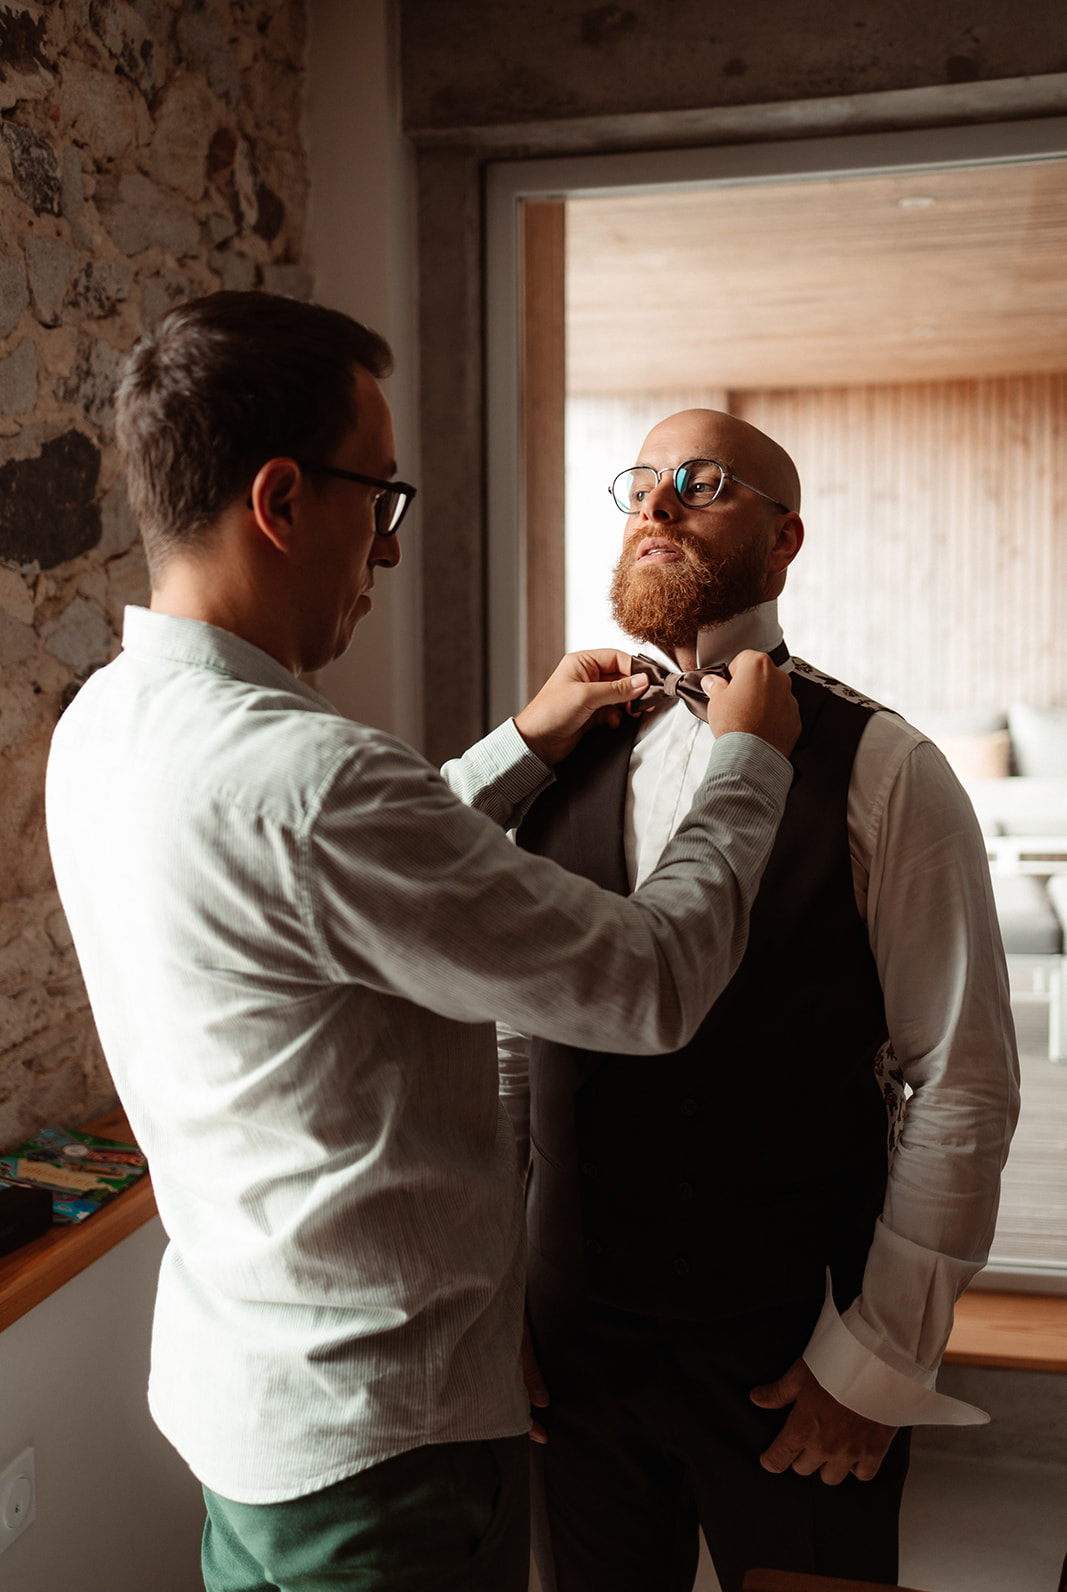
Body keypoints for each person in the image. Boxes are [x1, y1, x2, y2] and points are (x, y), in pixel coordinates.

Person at [44, 296, 802, 1592]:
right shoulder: (315, 780)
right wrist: (745, 765)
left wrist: (517, 745)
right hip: (382, 1463)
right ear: (283, 499)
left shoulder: (107, 722)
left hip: (250, 1410)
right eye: (378, 501)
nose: (386, 552)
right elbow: (651, 979)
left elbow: (331, 892)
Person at [505, 408, 1021, 1592]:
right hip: (572, 1349)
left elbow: (961, 1077)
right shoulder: (552, 746)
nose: (656, 502)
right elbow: (504, 1042)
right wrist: (501, 1290)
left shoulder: (888, 769)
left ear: (784, 541)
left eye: (700, 480)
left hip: (794, 1347)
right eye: (639, 483)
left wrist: (878, 1356)